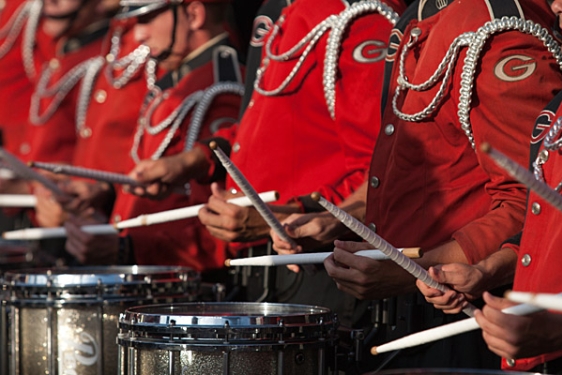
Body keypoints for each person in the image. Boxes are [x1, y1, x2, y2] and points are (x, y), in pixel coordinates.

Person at [295, 0, 562, 370]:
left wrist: (411, 270)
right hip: (394, 315)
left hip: (467, 321)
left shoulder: (497, 27)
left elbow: (533, 200)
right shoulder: (420, 16)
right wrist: (344, 215)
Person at [62, 0, 244, 274]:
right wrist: (107, 192)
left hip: (181, 292)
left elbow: (218, 224)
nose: (138, 35)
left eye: (147, 19)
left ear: (195, 14)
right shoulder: (180, 80)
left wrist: (129, 249)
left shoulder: (222, 88)